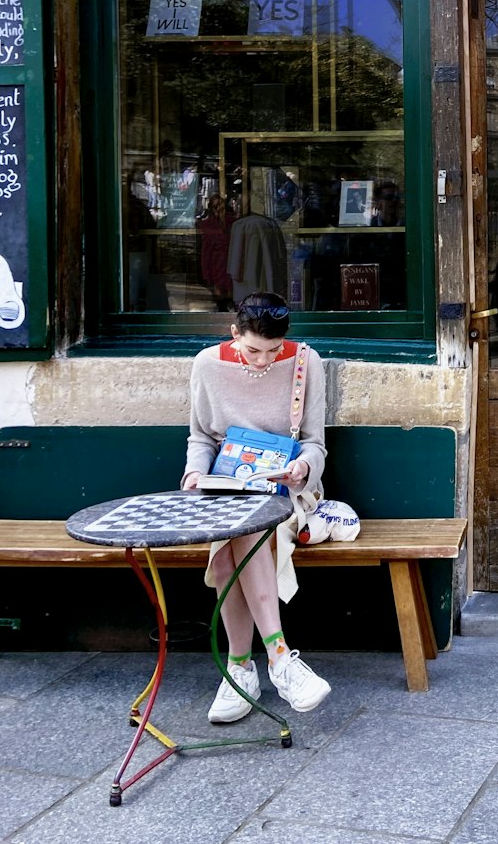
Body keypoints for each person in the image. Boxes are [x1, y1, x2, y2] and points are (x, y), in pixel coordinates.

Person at [181, 292, 331, 721]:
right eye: (252, 350)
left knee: (241, 532)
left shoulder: (306, 361)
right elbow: (201, 439)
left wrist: (301, 469)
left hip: (289, 493)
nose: (263, 361)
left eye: (272, 351)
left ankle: (243, 668)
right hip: (223, 491)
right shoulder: (207, 365)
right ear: (234, 334)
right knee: (235, 533)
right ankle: (275, 661)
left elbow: (315, 444)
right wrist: (194, 475)